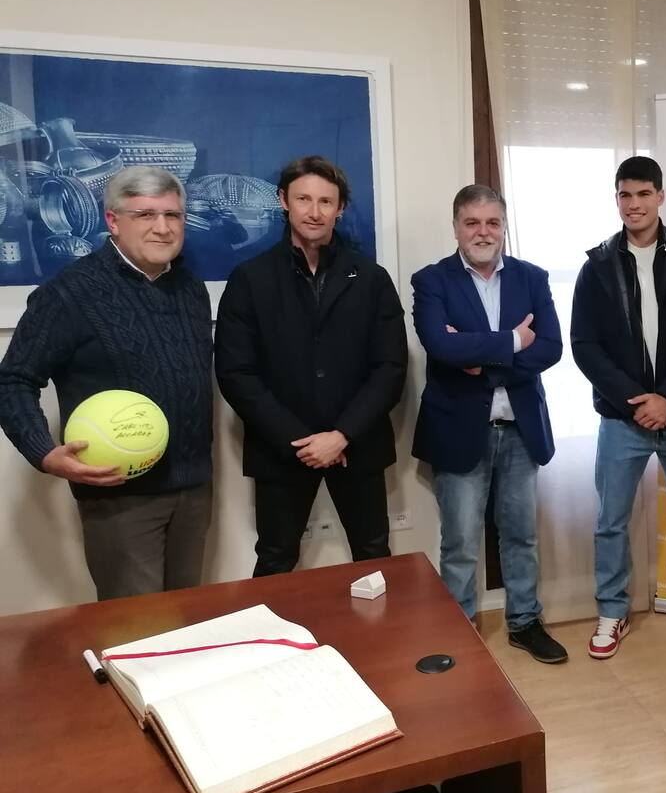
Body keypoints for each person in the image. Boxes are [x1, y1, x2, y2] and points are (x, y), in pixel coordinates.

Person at [0, 166, 213, 600]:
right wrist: (44, 453)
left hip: (194, 490)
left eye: (173, 215)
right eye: (145, 214)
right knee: (135, 625)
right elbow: (13, 379)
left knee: (187, 617)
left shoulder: (191, 288)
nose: (162, 227)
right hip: (120, 497)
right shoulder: (70, 292)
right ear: (113, 221)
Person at [215, 155, 406, 577]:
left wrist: (341, 435)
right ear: (284, 201)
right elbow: (236, 372)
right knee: (275, 560)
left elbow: (390, 367)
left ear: (340, 208)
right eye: (303, 199)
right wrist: (300, 441)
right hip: (281, 448)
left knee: (374, 555)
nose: (314, 211)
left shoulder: (372, 279)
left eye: (326, 201)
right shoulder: (250, 278)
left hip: (357, 444)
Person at [571, 155, 666, 660]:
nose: (634, 204)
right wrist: (636, 401)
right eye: (625, 194)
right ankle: (612, 610)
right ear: (616, 199)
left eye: (643, 194)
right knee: (610, 521)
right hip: (623, 419)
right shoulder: (597, 265)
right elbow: (585, 344)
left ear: (660, 196)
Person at [411, 184, 567, 664]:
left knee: (521, 536)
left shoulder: (532, 278)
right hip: (459, 430)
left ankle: (525, 623)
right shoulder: (432, 280)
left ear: (504, 227)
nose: (483, 232)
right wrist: (512, 341)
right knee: (460, 542)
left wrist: (478, 355)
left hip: (520, 430)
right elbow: (441, 346)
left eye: (493, 222)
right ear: (456, 227)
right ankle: (460, 629)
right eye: (472, 223)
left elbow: (551, 348)